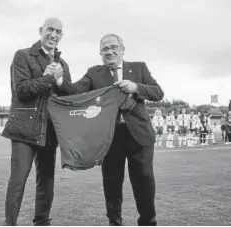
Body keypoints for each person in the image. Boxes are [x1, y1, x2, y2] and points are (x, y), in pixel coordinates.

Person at [65, 34, 164, 225]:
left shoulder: (138, 67)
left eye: (113, 47)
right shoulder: (94, 73)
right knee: (111, 183)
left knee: (143, 182)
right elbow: (75, 89)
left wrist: (135, 86)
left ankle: (148, 221)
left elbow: (158, 93)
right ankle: (114, 222)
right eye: (105, 49)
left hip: (139, 135)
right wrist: (60, 81)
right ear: (100, 53)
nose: (109, 52)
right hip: (109, 137)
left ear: (122, 50)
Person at [1, 18, 73, 226]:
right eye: (50, 30)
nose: (54, 34)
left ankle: (42, 222)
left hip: (50, 130)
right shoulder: (23, 56)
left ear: (61, 36)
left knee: (47, 182)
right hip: (24, 129)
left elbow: (68, 95)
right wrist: (49, 78)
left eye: (58, 32)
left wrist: (60, 81)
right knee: (18, 180)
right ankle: (10, 223)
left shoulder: (63, 65)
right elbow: (22, 90)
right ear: (41, 31)